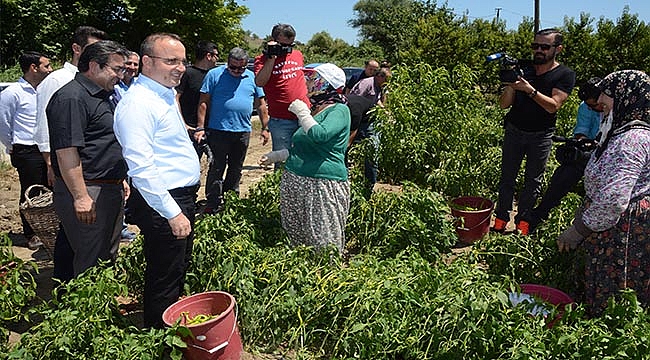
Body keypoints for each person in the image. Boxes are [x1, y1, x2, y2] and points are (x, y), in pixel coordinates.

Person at [114, 33, 201, 328]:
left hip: (179, 197)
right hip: (163, 201)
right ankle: (159, 338)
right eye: (171, 61)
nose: (180, 67)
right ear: (147, 62)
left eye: (183, 61)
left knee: (176, 268)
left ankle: (168, 327)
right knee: (165, 274)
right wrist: (172, 212)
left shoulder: (162, 94)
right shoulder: (138, 104)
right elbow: (141, 167)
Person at [557, 70, 650, 316]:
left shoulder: (633, 139)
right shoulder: (621, 130)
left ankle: (609, 329)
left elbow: (613, 199)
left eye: (607, 95)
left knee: (618, 291)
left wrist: (577, 231)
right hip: (609, 223)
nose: (601, 102)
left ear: (625, 96)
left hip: (623, 229)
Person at [46, 40, 130, 277]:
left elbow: (102, 143)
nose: (121, 75)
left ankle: (103, 307)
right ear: (94, 66)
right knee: (90, 258)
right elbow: (66, 152)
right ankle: (86, 311)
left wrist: (118, 179)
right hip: (88, 189)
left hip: (107, 187)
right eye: (116, 69)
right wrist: (81, 196)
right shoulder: (71, 98)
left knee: (107, 254)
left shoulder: (102, 96)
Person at [34, 25, 108, 281]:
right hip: (66, 166)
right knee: (72, 233)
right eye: (93, 48)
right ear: (77, 49)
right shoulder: (58, 81)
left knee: (76, 234)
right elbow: (45, 126)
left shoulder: (94, 84)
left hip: (84, 168)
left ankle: (68, 279)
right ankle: (65, 282)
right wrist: (50, 165)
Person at [259, 63, 351, 253]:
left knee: (323, 239)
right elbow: (304, 148)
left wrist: (302, 113)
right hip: (297, 179)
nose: (307, 82)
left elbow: (320, 136)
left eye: (312, 78)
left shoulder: (339, 110)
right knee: (297, 237)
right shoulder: (315, 111)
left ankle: (326, 278)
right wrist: (277, 156)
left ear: (325, 84)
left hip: (322, 183)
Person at [492, 28, 576, 235]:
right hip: (514, 130)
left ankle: (523, 224)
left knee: (532, 182)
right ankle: (501, 219)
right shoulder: (524, 67)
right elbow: (503, 105)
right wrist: (512, 84)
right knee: (507, 178)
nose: (538, 50)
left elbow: (553, 105)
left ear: (558, 49)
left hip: (540, 135)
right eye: (535, 46)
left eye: (544, 47)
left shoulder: (564, 74)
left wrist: (529, 89)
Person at [523, 77, 603, 233]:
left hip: (611, 155)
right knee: (564, 174)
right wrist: (583, 143)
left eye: (595, 105)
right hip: (591, 150)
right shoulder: (586, 107)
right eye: (590, 106)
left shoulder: (618, 108)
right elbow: (581, 131)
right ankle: (538, 217)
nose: (593, 108)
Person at [195, 47, 269, 213]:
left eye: (241, 68)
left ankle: (230, 202)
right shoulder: (214, 75)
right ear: (227, 63)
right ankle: (213, 203)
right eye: (233, 67)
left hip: (242, 131)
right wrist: (200, 127)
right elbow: (203, 102)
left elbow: (261, 104)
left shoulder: (252, 78)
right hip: (218, 130)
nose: (237, 71)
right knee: (216, 167)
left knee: (236, 168)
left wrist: (265, 127)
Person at [0, 51, 53, 249]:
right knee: (31, 191)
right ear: (34, 68)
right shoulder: (13, 93)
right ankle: (31, 233)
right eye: (46, 65)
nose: (50, 69)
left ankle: (50, 229)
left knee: (51, 188)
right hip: (27, 149)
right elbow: (3, 123)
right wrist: (12, 146)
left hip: (45, 146)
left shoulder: (46, 89)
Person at [254, 24, 310, 160]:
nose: (287, 49)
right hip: (281, 119)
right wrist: (271, 57)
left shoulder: (297, 55)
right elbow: (260, 82)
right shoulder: (262, 60)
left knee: (305, 156)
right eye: (283, 45)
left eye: (291, 45)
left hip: (303, 115)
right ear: (274, 41)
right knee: (282, 159)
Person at [349, 67, 390, 191]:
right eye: (387, 80)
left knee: (372, 152)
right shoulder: (366, 83)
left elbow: (376, 100)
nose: (388, 83)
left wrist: (385, 112)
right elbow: (354, 102)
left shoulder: (379, 86)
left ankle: (369, 185)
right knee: (352, 149)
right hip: (359, 121)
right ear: (380, 77)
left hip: (369, 122)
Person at [176, 40, 219, 136]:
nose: (217, 59)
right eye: (216, 55)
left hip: (211, 127)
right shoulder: (187, 73)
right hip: (190, 128)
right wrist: (183, 124)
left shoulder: (214, 75)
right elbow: (175, 98)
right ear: (208, 56)